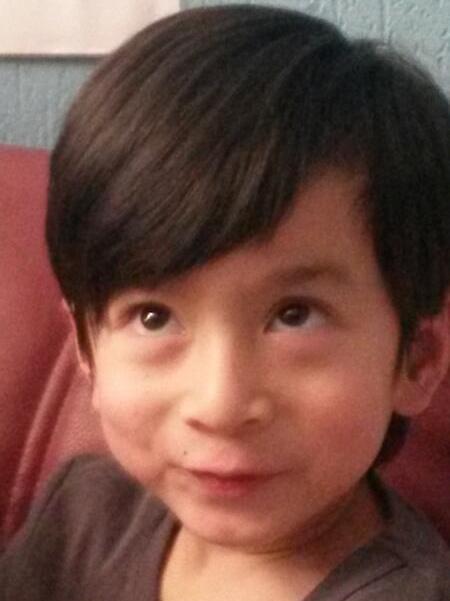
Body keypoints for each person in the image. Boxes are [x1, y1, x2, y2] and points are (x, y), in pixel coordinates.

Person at [1, 5, 450, 600]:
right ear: (87, 347)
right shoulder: (84, 513)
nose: (221, 405)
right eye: (154, 317)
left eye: (295, 315)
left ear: (416, 359)